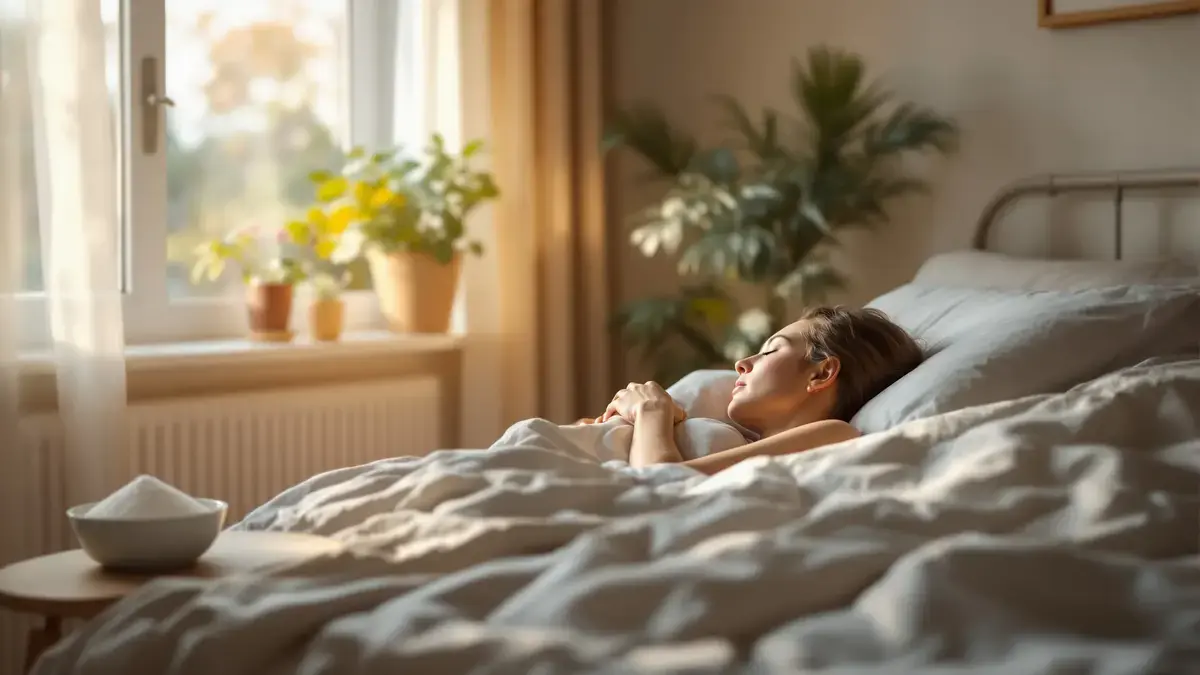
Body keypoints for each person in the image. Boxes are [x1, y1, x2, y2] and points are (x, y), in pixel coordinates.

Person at [593, 306, 923, 475]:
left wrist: (653, 411)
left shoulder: (833, 435)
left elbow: (660, 483)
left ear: (821, 373)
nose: (742, 362)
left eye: (769, 351)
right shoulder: (740, 437)